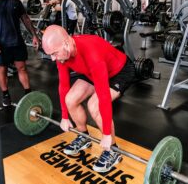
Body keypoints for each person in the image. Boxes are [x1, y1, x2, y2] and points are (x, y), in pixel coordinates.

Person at [42, 25, 135, 173]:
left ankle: (113, 150)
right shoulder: (63, 56)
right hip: (92, 71)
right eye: (50, 54)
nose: (53, 59)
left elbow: (103, 96)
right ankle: (83, 136)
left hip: (119, 71)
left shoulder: (91, 53)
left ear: (66, 43)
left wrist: (105, 134)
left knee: (94, 106)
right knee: (70, 99)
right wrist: (65, 116)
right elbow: (63, 85)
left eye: (54, 53)